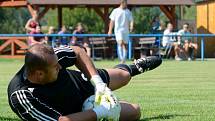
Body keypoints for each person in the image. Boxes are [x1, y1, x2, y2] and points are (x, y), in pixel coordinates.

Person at [8, 44, 162, 121]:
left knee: (124, 76)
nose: (60, 67)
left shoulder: (51, 58)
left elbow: (78, 52)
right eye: (56, 67)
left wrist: (99, 84)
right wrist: (101, 112)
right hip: (74, 112)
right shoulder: (21, 95)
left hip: (80, 83)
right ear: (39, 74)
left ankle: (135, 67)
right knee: (135, 111)